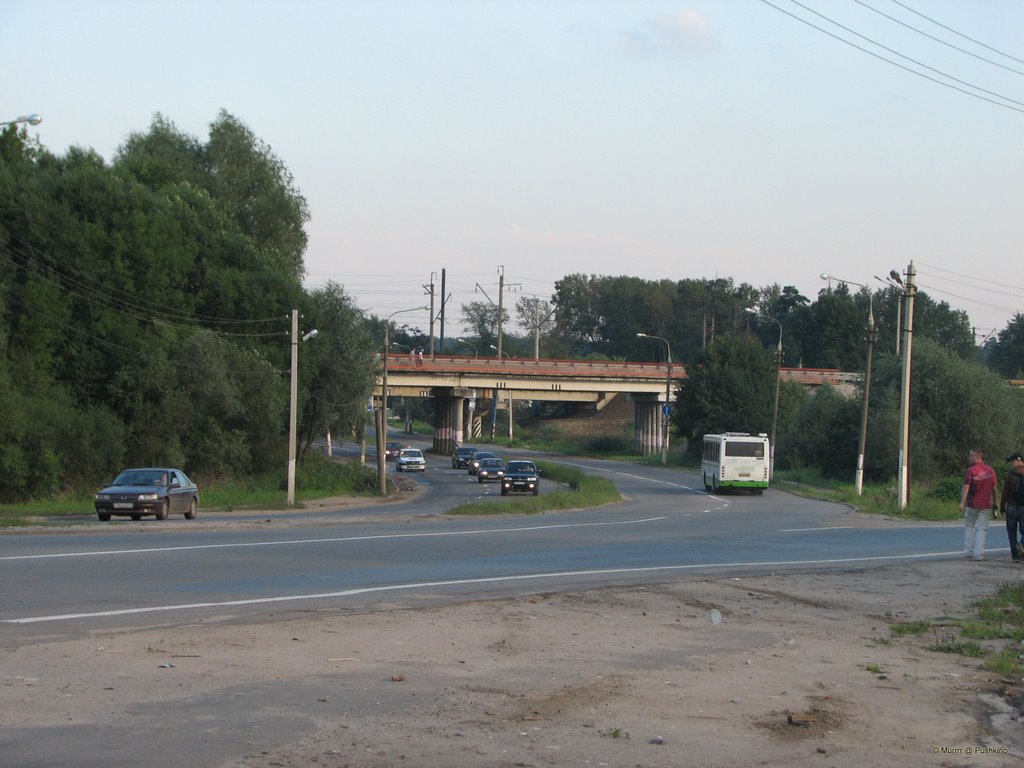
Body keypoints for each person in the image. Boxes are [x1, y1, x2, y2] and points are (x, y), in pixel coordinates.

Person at [961, 449, 998, 561]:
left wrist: (962, 502)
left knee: (969, 525)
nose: (969, 458)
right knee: (982, 528)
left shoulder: (971, 470)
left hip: (972, 503)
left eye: (971, 456)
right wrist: (995, 502)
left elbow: (966, 486)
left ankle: (968, 551)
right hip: (986, 503)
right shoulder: (990, 470)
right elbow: (994, 488)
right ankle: (979, 554)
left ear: (977, 457)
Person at [998, 452, 1024, 562]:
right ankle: (1022, 545)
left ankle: (1015, 556)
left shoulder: (1010, 475)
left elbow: (1005, 493)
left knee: (1011, 532)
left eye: (1012, 461)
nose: (1011, 464)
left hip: (1011, 507)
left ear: (1018, 460)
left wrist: (1002, 507)